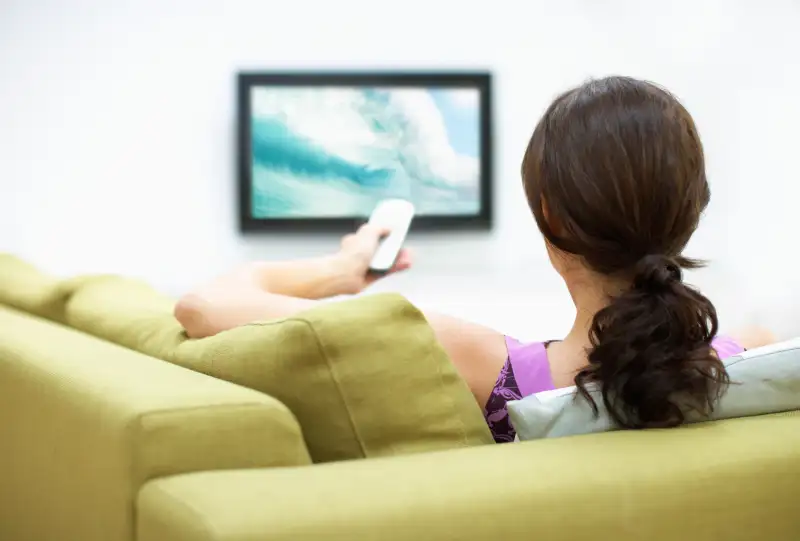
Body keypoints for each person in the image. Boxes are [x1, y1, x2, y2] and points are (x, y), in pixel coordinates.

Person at [175, 76, 775, 443]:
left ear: (552, 217)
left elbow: (202, 307)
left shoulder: (477, 367)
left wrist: (341, 271)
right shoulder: (748, 362)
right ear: (693, 211)